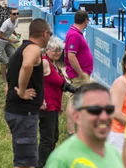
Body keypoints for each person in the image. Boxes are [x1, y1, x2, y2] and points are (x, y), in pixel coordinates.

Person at [5, 18, 52, 168]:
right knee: (25, 163)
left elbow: (9, 81)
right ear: (45, 33)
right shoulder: (34, 49)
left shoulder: (21, 50)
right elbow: (26, 66)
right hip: (24, 115)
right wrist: (23, 92)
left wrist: (39, 98)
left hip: (18, 112)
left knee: (24, 159)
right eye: (50, 34)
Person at [45, 83, 123, 167]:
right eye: (95, 110)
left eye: (109, 110)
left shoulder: (114, 152)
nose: (104, 117)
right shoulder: (62, 160)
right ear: (76, 116)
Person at [38, 36, 68, 167]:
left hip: (55, 106)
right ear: (47, 50)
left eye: (60, 50)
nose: (57, 53)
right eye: (55, 50)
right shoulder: (44, 62)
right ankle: (41, 164)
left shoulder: (54, 64)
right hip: (47, 107)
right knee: (47, 140)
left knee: (54, 137)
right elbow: (33, 80)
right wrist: (40, 98)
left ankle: (49, 163)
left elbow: (61, 84)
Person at [64, 10, 93, 136]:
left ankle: (80, 128)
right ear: (85, 20)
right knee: (74, 100)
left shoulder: (75, 33)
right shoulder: (75, 35)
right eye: (88, 20)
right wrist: (81, 73)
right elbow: (71, 56)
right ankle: (72, 132)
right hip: (78, 75)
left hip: (81, 74)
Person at [0, 8, 21, 87]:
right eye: (14, 14)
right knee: (4, 61)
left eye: (17, 13)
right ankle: (4, 80)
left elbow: (12, 29)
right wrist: (10, 40)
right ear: (10, 15)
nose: (16, 15)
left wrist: (16, 35)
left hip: (7, 41)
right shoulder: (6, 23)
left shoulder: (16, 21)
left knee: (13, 58)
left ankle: (2, 70)